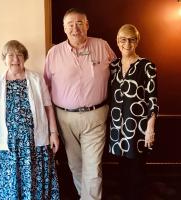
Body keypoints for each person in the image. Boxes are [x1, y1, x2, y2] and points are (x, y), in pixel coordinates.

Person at [44, 8, 116, 200]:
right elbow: (45, 89)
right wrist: (51, 128)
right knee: (75, 165)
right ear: (64, 28)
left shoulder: (102, 46)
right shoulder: (54, 53)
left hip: (96, 116)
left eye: (79, 23)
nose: (75, 28)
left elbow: (119, 75)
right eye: (70, 24)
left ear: (87, 25)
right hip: (65, 118)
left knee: (92, 167)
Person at [0, 40, 60, 200]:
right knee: (9, 184)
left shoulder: (36, 79)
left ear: (25, 57)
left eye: (19, 55)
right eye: (11, 55)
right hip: (7, 144)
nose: (15, 59)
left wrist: (53, 133)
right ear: (4, 58)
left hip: (33, 142)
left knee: (34, 182)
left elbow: (48, 107)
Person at [108, 24, 159, 200]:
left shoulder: (147, 66)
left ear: (137, 41)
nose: (127, 43)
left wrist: (150, 130)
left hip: (138, 130)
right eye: (123, 39)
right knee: (122, 173)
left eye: (132, 39)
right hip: (117, 129)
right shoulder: (113, 66)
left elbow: (153, 100)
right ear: (117, 41)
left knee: (137, 174)